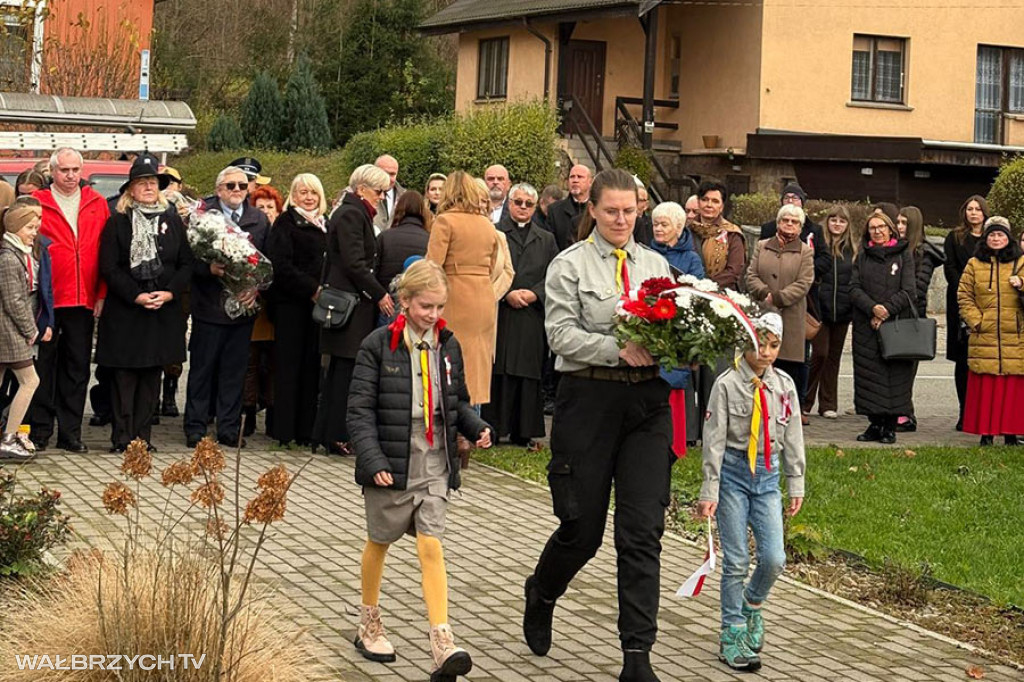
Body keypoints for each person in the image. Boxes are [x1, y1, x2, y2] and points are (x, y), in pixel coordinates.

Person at [522, 168, 673, 682]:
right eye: (611, 210)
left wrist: (687, 347)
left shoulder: (657, 264)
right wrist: (616, 349)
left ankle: (637, 656)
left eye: (629, 211)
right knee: (582, 530)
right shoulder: (569, 265)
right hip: (588, 400)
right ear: (593, 210)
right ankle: (541, 592)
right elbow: (560, 334)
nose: (621, 219)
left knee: (641, 533)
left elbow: (675, 327)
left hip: (648, 406)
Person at [347, 260, 492, 680]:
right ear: (405, 302)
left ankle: (441, 640)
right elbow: (358, 411)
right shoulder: (377, 345)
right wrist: (372, 460)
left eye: (439, 306)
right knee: (381, 539)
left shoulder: (448, 344)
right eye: (425, 306)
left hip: (434, 455)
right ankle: (369, 619)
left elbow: (458, 401)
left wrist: (476, 425)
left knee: (431, 543)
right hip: (393, 454)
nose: (433, 315)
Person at [697, 313, 805, 672]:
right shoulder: (726, 384)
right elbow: (712, 441)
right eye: (761, 344)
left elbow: (792, 435)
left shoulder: (784, 385)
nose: (768, 353)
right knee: (737, 559)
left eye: (774, 346)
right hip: (733, 475)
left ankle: (751, 604)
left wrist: (796, 480)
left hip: (768, 478)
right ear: (746, 342)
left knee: (774, 558)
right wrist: (709, 489)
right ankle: (732, 632)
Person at [97, 157, 192, 453]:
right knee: (124, 377)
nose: (149, 187)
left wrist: (169, 293)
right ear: (131, 190)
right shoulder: (117, 223)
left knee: (152, 376)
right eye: (142, 183)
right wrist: (135, 295)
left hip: (162, 311)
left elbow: (187, 264)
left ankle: (143, 438)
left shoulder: (173, 221)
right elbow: (109, 267)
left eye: (153, 182)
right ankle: (122, 438)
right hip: (127, 311)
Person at [29, 147, 110, 453]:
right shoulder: (38, 202)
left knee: (77, 369)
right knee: (43, 367)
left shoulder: (97, 203)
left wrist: (101, 293)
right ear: (52, 171)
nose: (71, 175)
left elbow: (105, 251)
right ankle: (39, 431)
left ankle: (70, 433)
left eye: (76, 169)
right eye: (64, 170)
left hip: (83, 300)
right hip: (47, 301)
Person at [184, 166, 269, 448]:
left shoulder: (257, 218)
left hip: (242, 310)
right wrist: (208, 268)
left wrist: (256, 288)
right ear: (219, 188)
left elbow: (268, 260)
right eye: (230, 186)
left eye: (242, 186)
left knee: (235, 372)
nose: (236, 191)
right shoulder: (204, 216)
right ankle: (195, 428)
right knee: (202, 370)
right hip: (209, 307)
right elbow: (186, 259)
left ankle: (229, 429)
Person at [313, 165, 393, 456]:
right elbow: (354, 263)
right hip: (349, 305)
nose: (382, 197)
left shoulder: (355, 212)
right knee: (343, 373)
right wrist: (380, 293)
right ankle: (336, 435)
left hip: (351, 302)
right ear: (361, 189)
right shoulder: (350, 214)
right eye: (378, 191)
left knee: (342, 372)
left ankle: (331, 433)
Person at [484, 183, 558, 448]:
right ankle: (495, 427)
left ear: (535, 206)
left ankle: (524, 429)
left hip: (532, 315)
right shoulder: (495, 233)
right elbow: (489, 270)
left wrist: (535, 294)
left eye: (528, 203)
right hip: (502, 312)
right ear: (510, 203)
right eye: (518, 202)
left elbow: (554, 274)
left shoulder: (546, 238)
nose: (523, 208)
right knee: (500, 370)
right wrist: (508, 293)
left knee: (528, 372)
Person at [425, 171, 503, 407]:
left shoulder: (445, 221)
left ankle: (453, 429)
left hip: (454, 294)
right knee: (477, 362)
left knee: (448, 359)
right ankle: (474, 426)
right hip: (483, 296)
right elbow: (493, 266)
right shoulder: (486, 224)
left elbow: (433, 266)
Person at [265, 174, 327, 448]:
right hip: (291, 303)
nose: (309, 197)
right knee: (288, 367)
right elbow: (280, 264)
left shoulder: (327, 224)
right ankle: (284, 430)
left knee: (311, 367)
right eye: (303, 192)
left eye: (313, 192)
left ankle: (306, 429)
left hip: (317, 307)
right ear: (294, 194)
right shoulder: (286, 222)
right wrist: (312, 289)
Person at [956, 216, 1024, 446]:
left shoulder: (1022, 263)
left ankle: (1011, 434)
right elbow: (964, 296)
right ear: (986, 238)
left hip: (1015, 336)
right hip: (984, 335)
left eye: (1001, 234)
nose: (996, 238)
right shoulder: (974, 264)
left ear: (1009, 237)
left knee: (1011, 387)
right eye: (992, 235)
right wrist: (977, 321)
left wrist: (1022, 285)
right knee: (987, 387)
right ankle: (986, 434)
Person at [850, 212, 916, 444]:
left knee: (895, 376)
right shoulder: (863, 256)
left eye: (881, 227)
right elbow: (854, 288)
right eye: (872, 228)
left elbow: (909, 291)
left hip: (895, 324)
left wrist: (886, 310)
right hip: (866, 325)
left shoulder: (904, 255)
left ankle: (890, 426)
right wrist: (873, 309)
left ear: (891, 230)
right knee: (869, 376)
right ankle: (874, 424)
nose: (877, 231)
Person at [745, 204, 815, 416]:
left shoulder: (805, 252)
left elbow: (804, 283)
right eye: (785, 220)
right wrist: (764, 293)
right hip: (762, 312)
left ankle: (787, 413)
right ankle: (759, 410)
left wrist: (778, 298)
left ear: (800, 227)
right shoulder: (762, 245)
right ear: (778, 223)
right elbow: (750, 275)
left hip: (791, 317)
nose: (789, 224)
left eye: (794, 221)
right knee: (761, 363)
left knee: (788, 369)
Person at [650, 200, 705, 455]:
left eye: (664, 224)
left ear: (679, 227)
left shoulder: (691, 257)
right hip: (651, 323)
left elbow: (698, 290)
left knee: (674, 379)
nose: (658, 229)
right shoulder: (646, 253)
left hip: (677, 326)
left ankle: (676, 442)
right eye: (655, 224)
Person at [0, 199, 46, 461]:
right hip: (10, 332)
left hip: (9, 330)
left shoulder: (18, 253)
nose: (34, 232)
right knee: (31, 381)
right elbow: (14, 300)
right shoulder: (9, 257)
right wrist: (30, 329)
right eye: (29, 227)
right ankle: (8, 438)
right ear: (16, 227)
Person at [895, 206, 945, 432]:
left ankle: (906, 414)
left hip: (910, 316)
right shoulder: (895, 249)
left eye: (904, 223)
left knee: (906, 370)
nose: (899, 227)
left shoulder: (922, 254)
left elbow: (917, 289)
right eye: (897, 222)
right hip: (893, 316)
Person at [806, 205, 857, 419]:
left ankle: (828, 403)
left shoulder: (853, 251)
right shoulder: (819, 245)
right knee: (819, 354)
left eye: (842, 221)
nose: (837, 224)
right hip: (821, 310)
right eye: (833, 219)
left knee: (834, 358)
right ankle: (805, 400)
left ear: (847, 225)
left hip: (843, 311)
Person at [241, 184, 284, 437]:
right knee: (251, 362)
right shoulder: (252, 234)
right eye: (261, 207)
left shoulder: (282, 232)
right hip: (253, 305)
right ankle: (247, 414)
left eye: (271, 207)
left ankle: (271, 414)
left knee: (274, 364)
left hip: (275, 307)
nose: (266, 211)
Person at [943, 195, 988, 431]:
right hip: (960, 303)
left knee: (983, 361)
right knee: (963, 362)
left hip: (987, 304)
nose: (973, 213)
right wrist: (966, 288)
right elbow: (948, 266)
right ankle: (964, 411)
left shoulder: (992, 238)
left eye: (978, 209)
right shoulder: (955, 237)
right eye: (969, 209)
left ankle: (983, 413)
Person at [690, 181, 746, 290]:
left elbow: (734, 271)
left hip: (721, 293)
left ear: (721, 206)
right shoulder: (687, 231)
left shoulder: (732, 234)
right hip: (688, 291)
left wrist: (706, 286)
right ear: (698, 202)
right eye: (705, 200)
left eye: (715, 201)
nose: (709, 205)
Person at [377, 191, 431, 293]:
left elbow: (375, 270)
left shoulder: (384, 237)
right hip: (417, 297)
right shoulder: (429, 239)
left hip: (387, 300)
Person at [547, 164, 592, 251]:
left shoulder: (598, 211)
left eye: (580, 177)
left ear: (590, 182)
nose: (575, 180)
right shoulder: (554, 210)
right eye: (572, 177)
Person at [373, 154, 404, 233]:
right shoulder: (358, 193)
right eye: (384, 173)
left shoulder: (405, 197)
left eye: (392, 174)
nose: (388, 178)